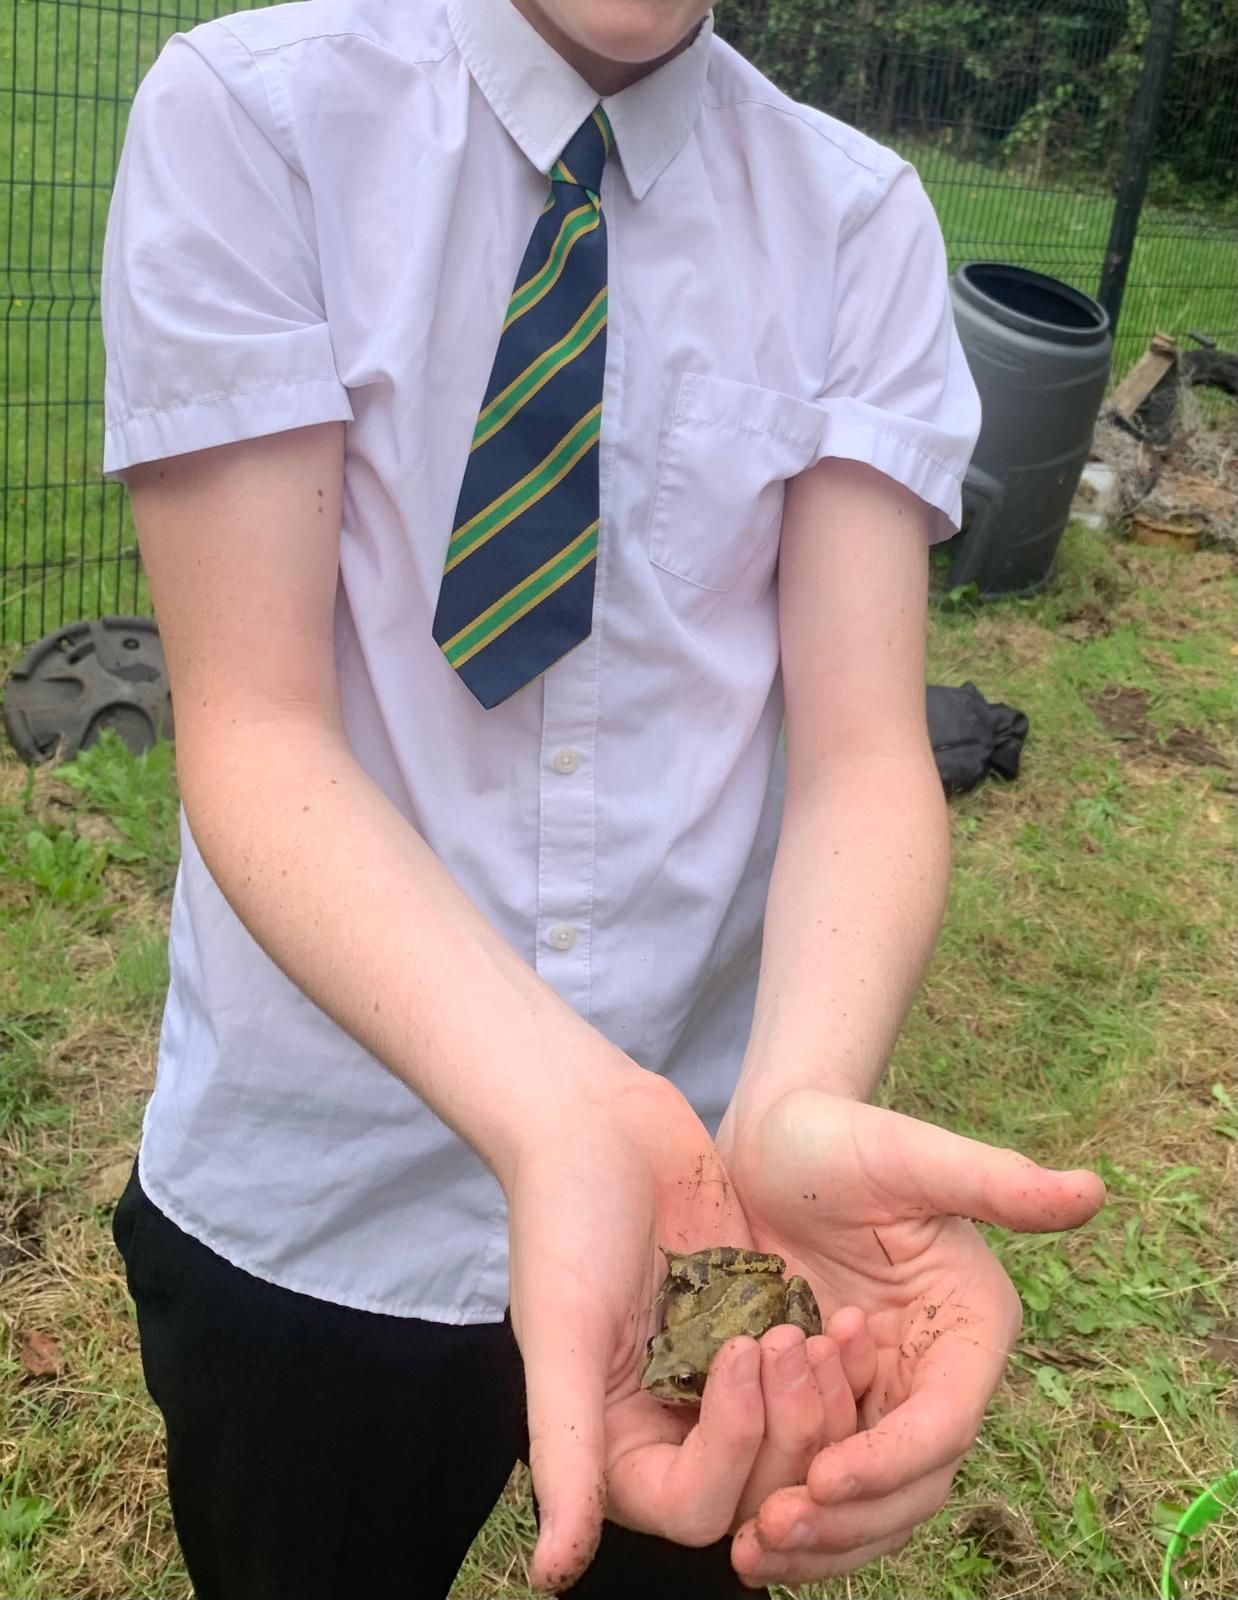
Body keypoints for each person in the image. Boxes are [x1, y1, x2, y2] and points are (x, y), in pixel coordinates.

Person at [101, 0, 1106, 1595]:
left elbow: (860, 755)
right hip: (322, 1179)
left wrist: (791, 1112)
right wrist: (558, 1113)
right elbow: (257, 727)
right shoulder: (256, 118)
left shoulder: (852, 223)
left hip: (712, 1210)